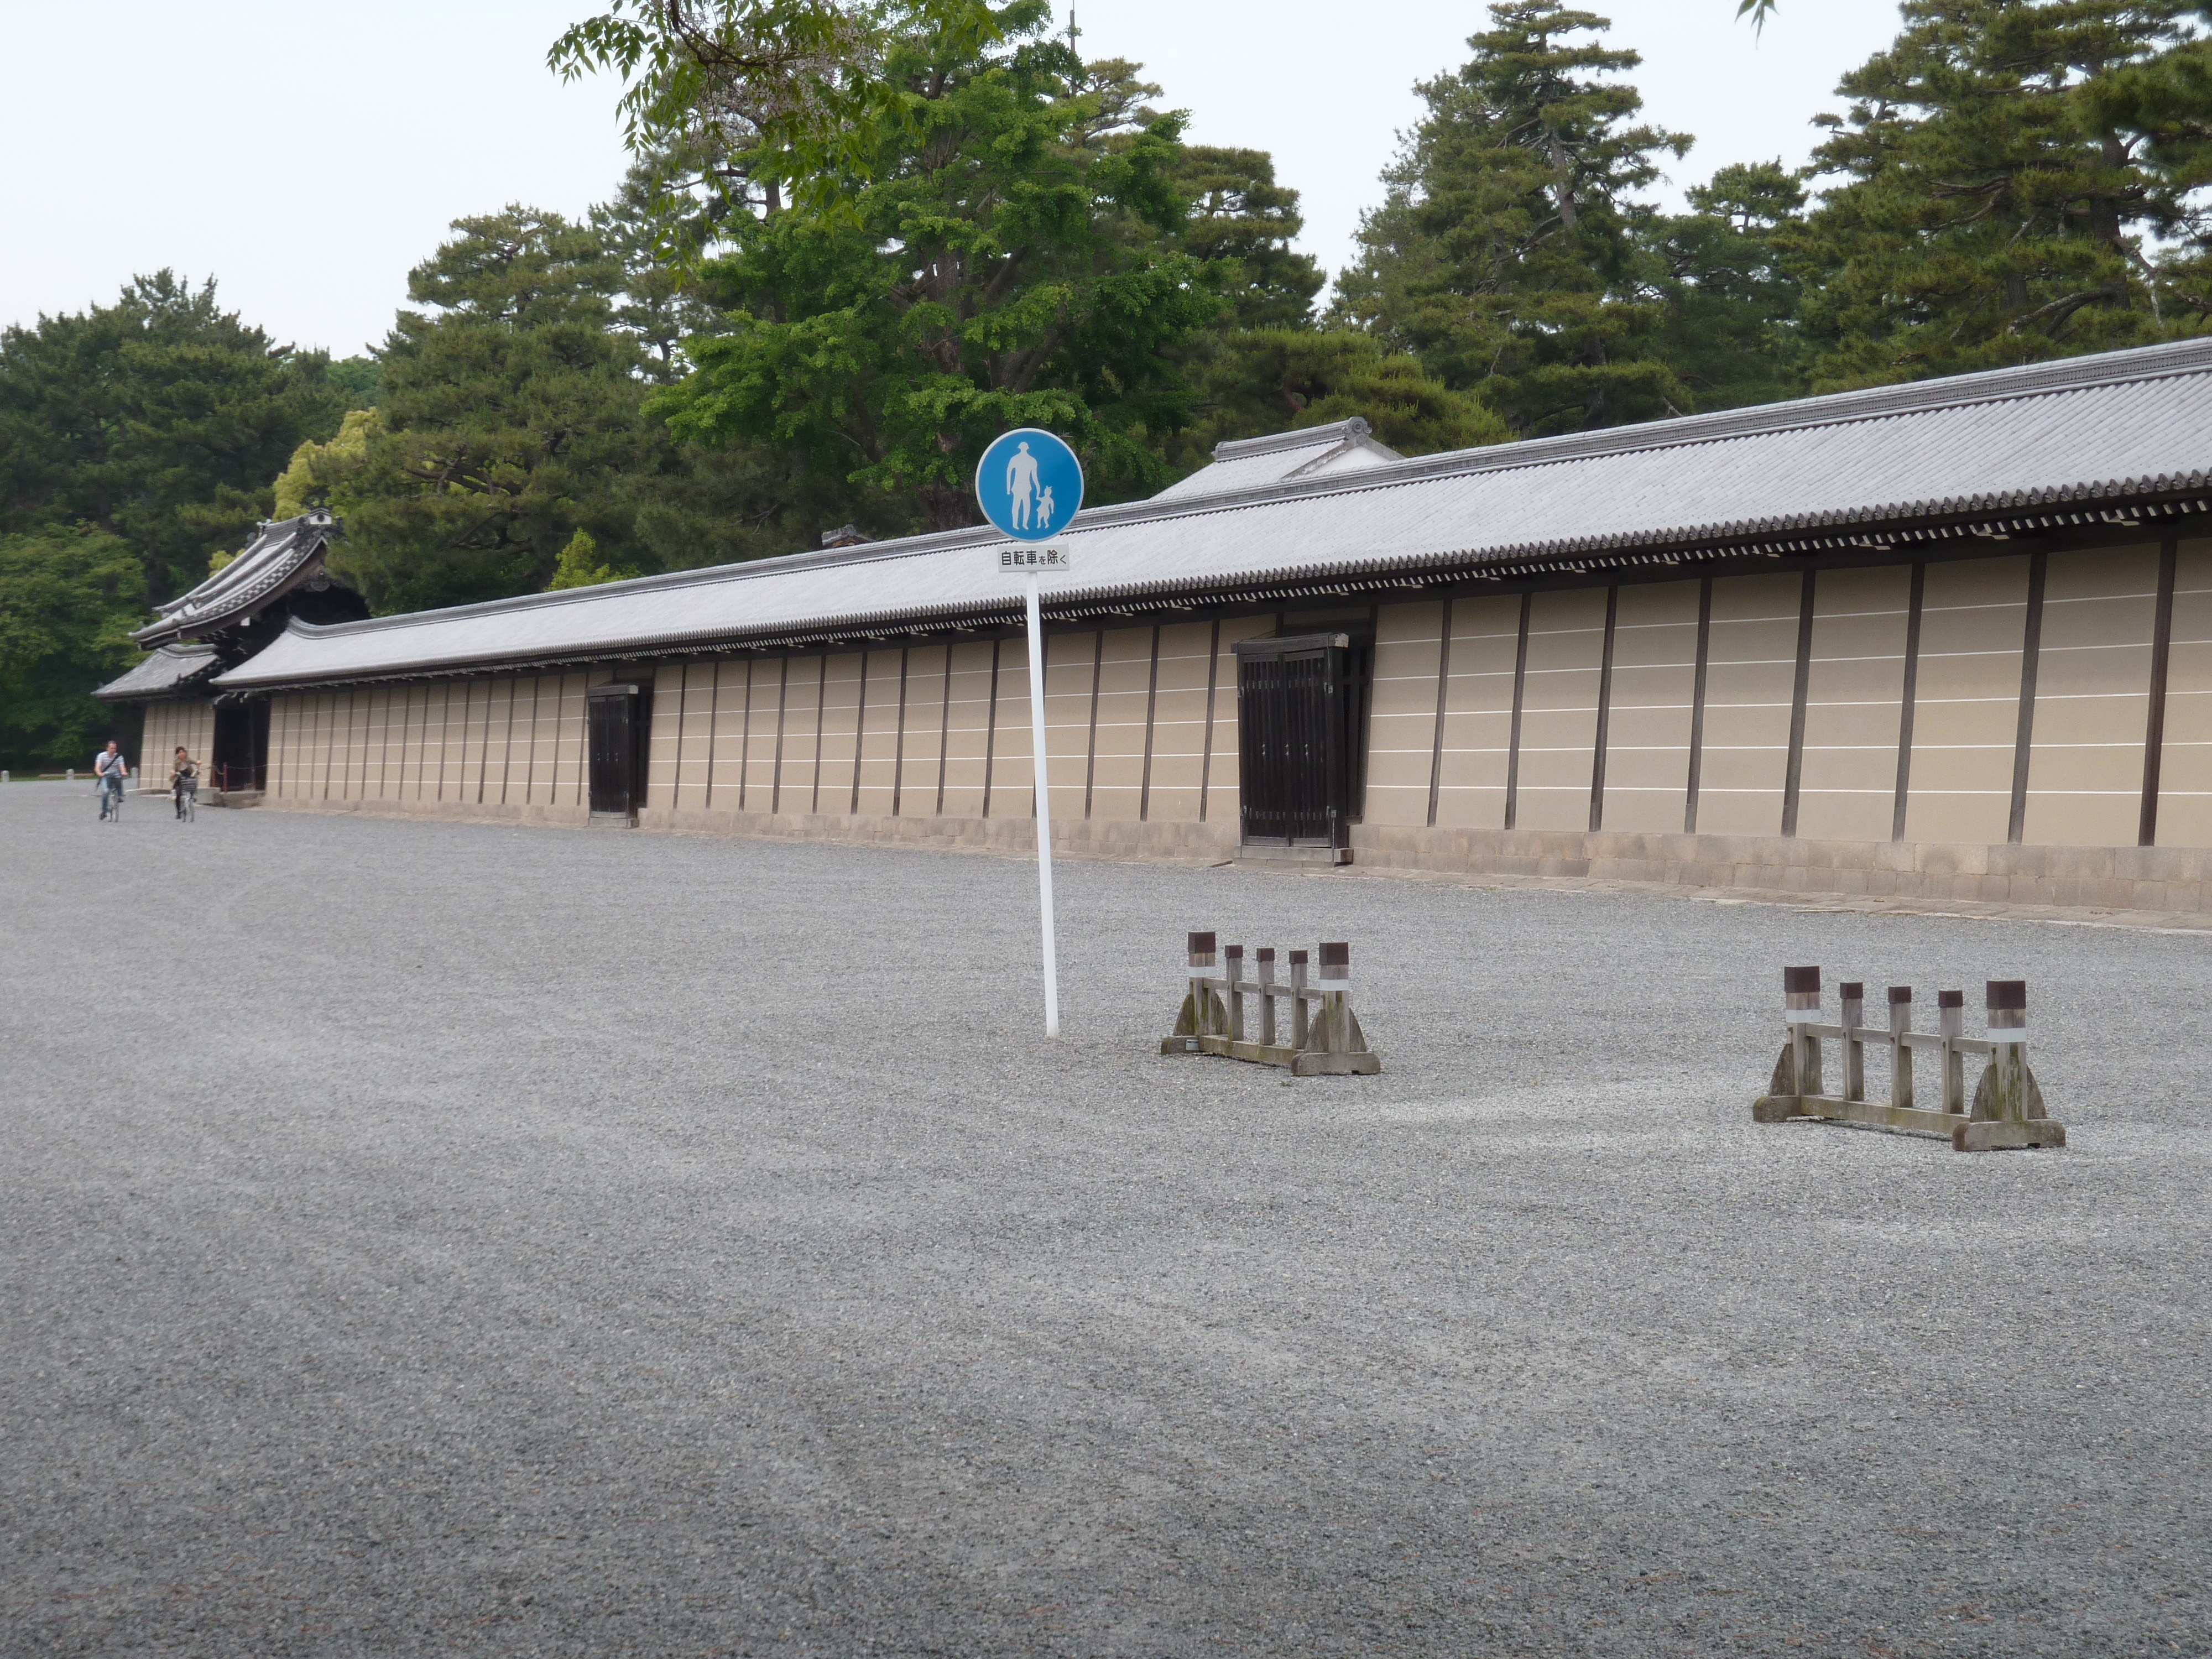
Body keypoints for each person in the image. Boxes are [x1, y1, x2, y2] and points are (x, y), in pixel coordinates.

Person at [93, 740, 127, 820]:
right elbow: (98, 767)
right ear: (107, 748)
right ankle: (104, 811)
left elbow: (122, 767)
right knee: (106, 792)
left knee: (119, 779)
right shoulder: (101, 756)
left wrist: (124, 772)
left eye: (115, 748)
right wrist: (100, 773)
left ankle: (119, 796)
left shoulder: (119, 757)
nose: (113, 750)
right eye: (111, 748)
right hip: (106, 775)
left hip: (115, 775)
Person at [171, 747, 198, 820]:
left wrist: (198, 763)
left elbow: (195, 762)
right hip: (179, 780)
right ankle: (179, 812)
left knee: (192, 787)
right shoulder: (176, 762)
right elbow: (173, 769)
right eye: (179, 752)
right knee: (178, 794)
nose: (182, 753)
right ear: (177, 754)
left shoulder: (188, 760)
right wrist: (173, 772)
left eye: (183, 752)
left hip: (188, 779)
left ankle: (192, 799)